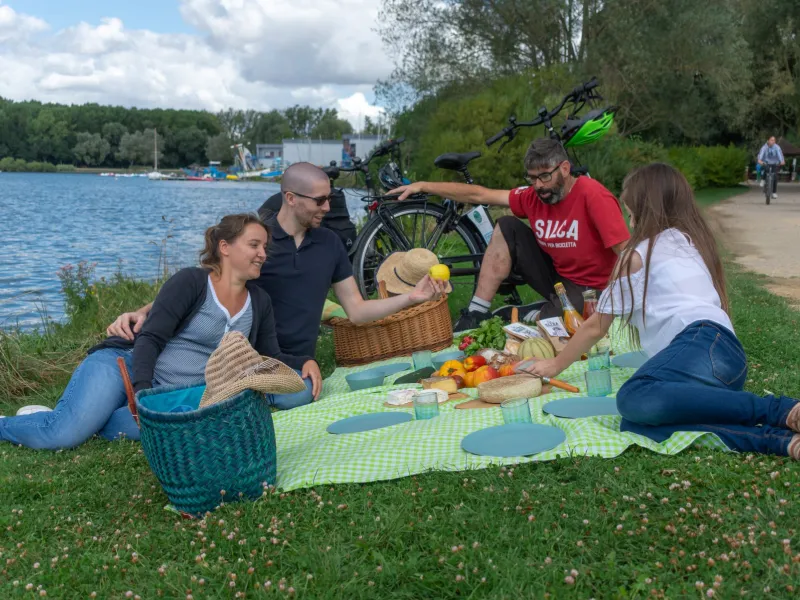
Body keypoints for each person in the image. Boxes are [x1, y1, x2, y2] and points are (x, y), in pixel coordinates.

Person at [107, 163, 448, 408]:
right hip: (241, 359)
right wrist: (143, 311)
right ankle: (139, 393)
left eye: (328, 199)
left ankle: (230, 400)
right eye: (320, 201)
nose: (327, 208)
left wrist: (413, 298)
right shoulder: (258, 244)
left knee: (298, 394)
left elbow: (357, 311)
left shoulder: (330, 244)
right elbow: (207, 285)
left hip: (289, 363)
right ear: (290, 197)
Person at [525, 163, 800, 459]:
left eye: (630, 212)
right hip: (728, 364)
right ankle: (777, 441)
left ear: (644, 210)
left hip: (701, 344)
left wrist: (554, 366)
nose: (629, 221)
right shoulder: (687, 241)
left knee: (634, 395)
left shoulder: (637, 255)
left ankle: (779, 410)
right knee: (636, 422)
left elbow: (595, 326)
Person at [0, 214, 314, 450]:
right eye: (254, 245)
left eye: (265, 248)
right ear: (225, 247)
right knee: (63, 435)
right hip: (127, 365)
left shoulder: (259, 301)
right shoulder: (191, 282)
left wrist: (304, 362)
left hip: (184, 398)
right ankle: (14, 424)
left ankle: (85, 415)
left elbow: (269, 355)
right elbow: (149, 338)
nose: (262, 254)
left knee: (300, 388)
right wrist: (143, 395)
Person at [390, 138, 630, 331]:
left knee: (551, 329)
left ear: (565, 169)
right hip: (558, 278)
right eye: (532, 178)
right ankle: (477, 312)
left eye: (545, 176)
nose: (538, 186)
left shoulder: (593, 196)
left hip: (595, 288)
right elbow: (480, 195)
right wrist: (422, 186)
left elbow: (628, 254)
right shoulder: (534, 196)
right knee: (507, 226)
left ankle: (532, 312)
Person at [757, 136, 785, 200]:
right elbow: (761, 154)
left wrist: (782, 161)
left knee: (775, 177)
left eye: (774, 140)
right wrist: (760, 160)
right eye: (771, 140)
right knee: (766, 169)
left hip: (775, 163)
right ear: (768, 140)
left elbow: (780, 154)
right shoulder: (764, 147)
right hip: (766, 162)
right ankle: (763, 180)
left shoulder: (777, 147)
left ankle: (774, 192)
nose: (773, 141)